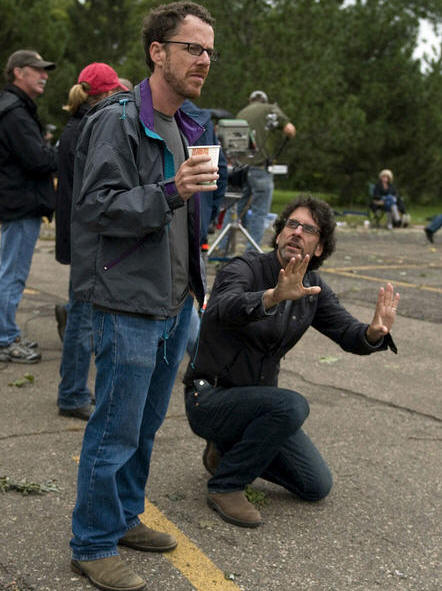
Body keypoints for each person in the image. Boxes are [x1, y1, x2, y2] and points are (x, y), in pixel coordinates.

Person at [69, 3, 217, 590]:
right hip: (126, 301)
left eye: (208, 50)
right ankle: (92, 543)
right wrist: (170, 190)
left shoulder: (189, 124)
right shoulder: (118, 120)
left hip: (174, 301)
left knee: (147, 424)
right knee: (114, 429)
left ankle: (125, 516)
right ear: (158, 51)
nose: (203, 59)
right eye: (191, 48)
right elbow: (96, 207)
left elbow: (187, 212)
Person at [184, 196, 400, 529]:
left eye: (308, 229)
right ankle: (225, 485)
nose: (296, 232)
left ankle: (227, 452)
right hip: (210, 398)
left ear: (318, 247)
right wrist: (271, 297)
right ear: (280, 233)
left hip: (256, 407)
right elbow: (223, 307)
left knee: (315, 485)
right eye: (292, 224)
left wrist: (373, 333)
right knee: (292, 406)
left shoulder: (313, 288)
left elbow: (347, 332)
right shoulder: (245, 268)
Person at [56, 64, 129, 421]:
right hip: (88, 238)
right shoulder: (94, 127)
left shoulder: (74, 128)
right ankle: (72, 394)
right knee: (83, 320)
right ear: (104, 94)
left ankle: (73, 391)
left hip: (79, 235)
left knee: (81, 316)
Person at [0, 50, 57, 364]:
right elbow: (37, 159)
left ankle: (5, 333)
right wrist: (58, 156)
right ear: (18, 72)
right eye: (37, 70)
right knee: (13, 273)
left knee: (9, 270)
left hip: (18, 202)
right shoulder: (15, 112)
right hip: (21, 203)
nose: (44, 75)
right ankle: (4, 338)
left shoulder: (15, 108)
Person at [220, 90, 296, 252]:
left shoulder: (242, 113)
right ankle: (251, 252)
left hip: (240, 168)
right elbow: (289, 130)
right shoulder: (270, 108)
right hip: (259, 167)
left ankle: (222, 247)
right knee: (259, 212)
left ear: (250, 100)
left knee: (234, 208)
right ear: (264, 100)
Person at [181, 99, 227, 251]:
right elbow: (220, 170)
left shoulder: (155, 116)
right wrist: (210, 213)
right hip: (199, 223)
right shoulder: (204, 120)